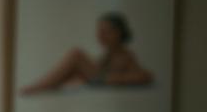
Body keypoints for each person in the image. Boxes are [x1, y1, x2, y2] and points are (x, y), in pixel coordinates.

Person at [20, 12, 154, 94]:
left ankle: (38, 87)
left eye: (106, 31)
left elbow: (145, 76)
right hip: (96, 79)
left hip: (101, 80)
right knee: (73, 69)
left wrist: (107, 79)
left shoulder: (126, 55)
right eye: (99, 31)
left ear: (119, 33)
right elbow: (93, 71)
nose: (100, 36)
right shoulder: (108, 54)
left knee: (76, 54)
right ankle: (43, 86)